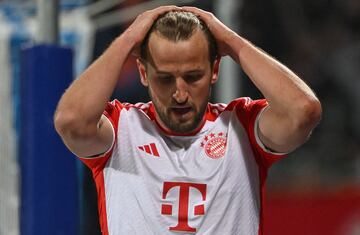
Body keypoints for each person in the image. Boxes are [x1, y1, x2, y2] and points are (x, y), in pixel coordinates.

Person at [54, 5, 321, 235]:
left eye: (193, 77)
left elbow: (302, 111)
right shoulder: (121, 126)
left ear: (214, 69)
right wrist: (127, 41)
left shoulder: (242, 129)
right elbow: (71, 121)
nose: (180, 94)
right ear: (143, 74)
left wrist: (231, 41)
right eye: (165, 78)